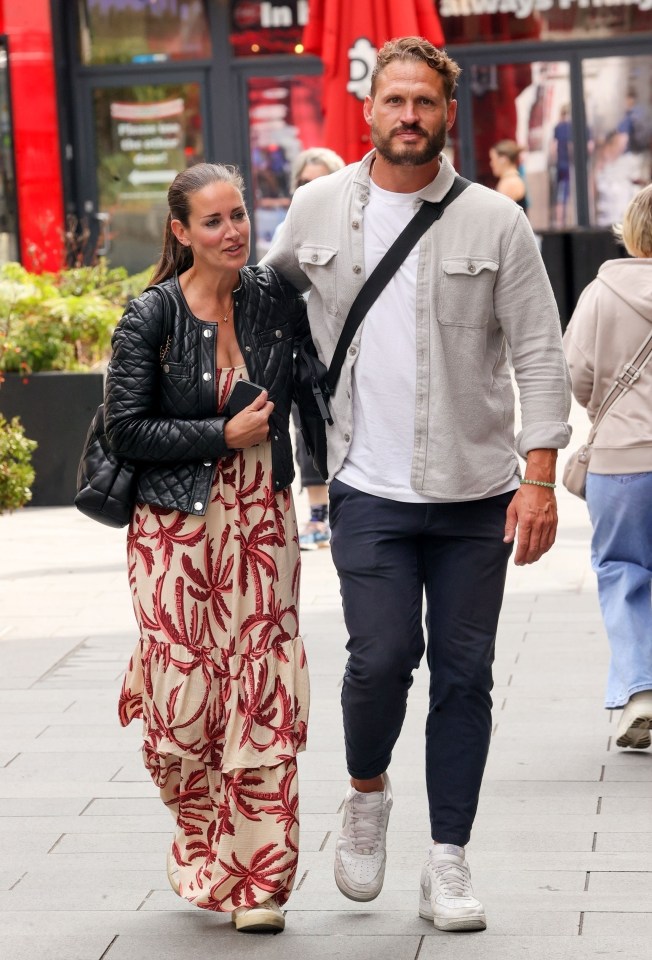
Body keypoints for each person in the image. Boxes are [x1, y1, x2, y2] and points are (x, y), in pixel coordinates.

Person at [263, 36, 571, 932]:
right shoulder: (317, 209)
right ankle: (366, 794)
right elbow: (262, 310)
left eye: (425, 103)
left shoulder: (495, 223)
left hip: (476, 488)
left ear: (448, 112)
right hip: (366, 485)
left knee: (466, 675)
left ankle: (447, 859)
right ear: (370, 108)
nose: (409, 117)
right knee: (382, 659)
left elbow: (540, 355)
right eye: (395, 101)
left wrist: (540, 476)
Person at [104, 162, 310, 934]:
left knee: (259, 689)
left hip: (260, 522)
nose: (234, 232)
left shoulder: (270, 298)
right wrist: (219, 434)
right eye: (215, 221)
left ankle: (261, 879)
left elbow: (314, 387)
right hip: (175, 529)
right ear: (181, 232)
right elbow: (127, 428)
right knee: (184, 710)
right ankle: (203, 842)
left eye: (240, 215)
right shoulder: (149, 316)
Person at [563, 184, 652, 748]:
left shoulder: (603, 292)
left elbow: (575, 374)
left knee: (624, 572)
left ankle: (641, 693)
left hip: (621, 462)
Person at [283, 148, 345, 550]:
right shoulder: (290, 227)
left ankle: (337, 511)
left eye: (319, 180)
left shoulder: (351, 227)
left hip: (345, 349)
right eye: (304, 182)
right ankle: (318, 517)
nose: (310, 189)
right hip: (304, 349)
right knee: (305, 427)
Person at [488, 139, 527, 212]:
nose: (491, 164)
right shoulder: (512, 179)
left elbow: (499, 214)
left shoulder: (509, 183)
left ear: (503, 159)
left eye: (493, 159)